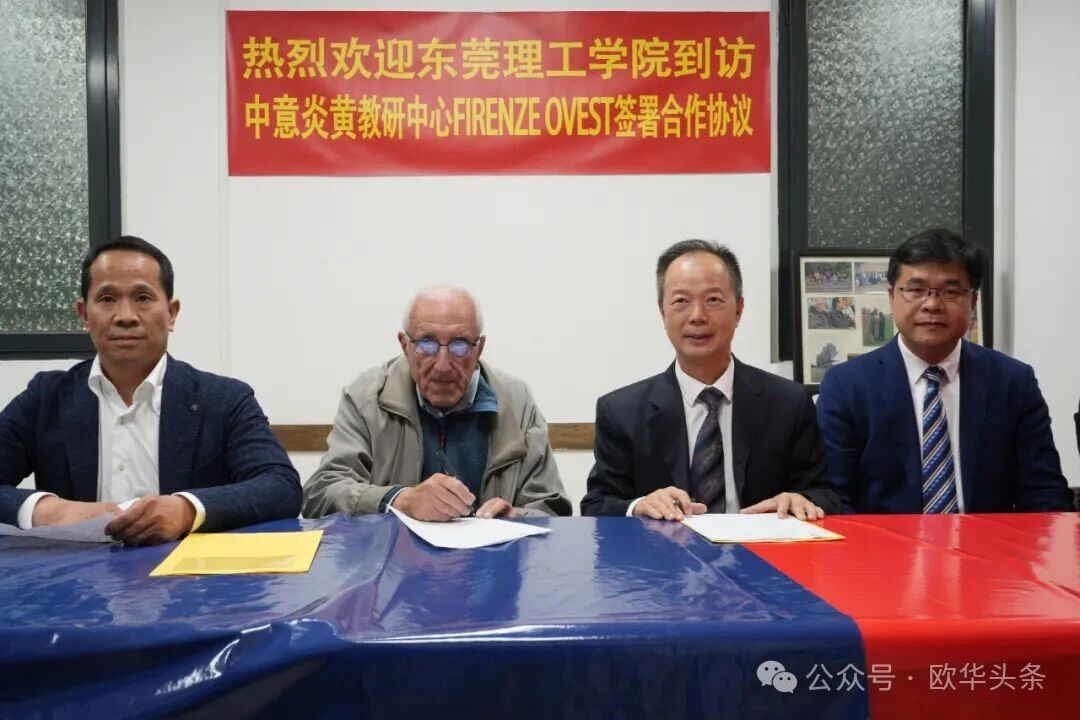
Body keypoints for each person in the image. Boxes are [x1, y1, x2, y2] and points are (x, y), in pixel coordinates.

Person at [0, 236, 302, 544]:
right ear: (84, 314)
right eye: (107, 299)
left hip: (189, 573)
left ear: (171, 313)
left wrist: (187, 510)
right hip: (76, 573)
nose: (125, 316)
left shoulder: (224, 400)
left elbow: (281, 486)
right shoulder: (46, 398)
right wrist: (49, 511)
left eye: (143, 298)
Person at [817, 228, 1074, 513]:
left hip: (987, 541)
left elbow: (1043, 493)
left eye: (951, 292)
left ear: (973, 302)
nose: (932, 305)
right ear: (891, 297)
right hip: (881, 541)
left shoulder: (1012, 382)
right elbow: (835, 498)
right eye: (915, 290)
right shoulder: (847, 385)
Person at [580, 240, 840, 521]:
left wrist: (801, 500)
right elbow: (597, 505)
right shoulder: (622, 412)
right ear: (662, 313)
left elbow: (827, 494)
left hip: (759, 547)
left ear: (739, 310)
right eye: (681, 301)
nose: (697, 316)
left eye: (713, 300)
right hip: (664, 548)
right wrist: (638, 505)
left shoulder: (788, 403)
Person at [302, 285, 571, 522]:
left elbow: (551, 509)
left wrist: (517, 517)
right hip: (394, 561)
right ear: (404, 345)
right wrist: (399, 500)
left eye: (459, 344)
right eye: (427, 343)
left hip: (491, 561)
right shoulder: (365, 398)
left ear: (479, 347)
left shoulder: (517, 402)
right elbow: (321, 493)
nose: (442, 365)